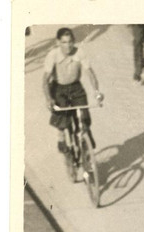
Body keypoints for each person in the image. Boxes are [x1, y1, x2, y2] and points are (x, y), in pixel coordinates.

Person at [43, 28, 104, 156]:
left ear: (74, 41)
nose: (68, 45)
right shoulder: (53, 55)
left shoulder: (79, 52)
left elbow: (90, 74)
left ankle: (85, 140)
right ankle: (61, 137)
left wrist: (97, 92)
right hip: (59, 88)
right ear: (58, 42)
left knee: (84, 116)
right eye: (64, 42)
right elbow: (45, 81)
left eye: (70, 41)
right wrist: (49, 99)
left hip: (76, 87)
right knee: (62, 117)